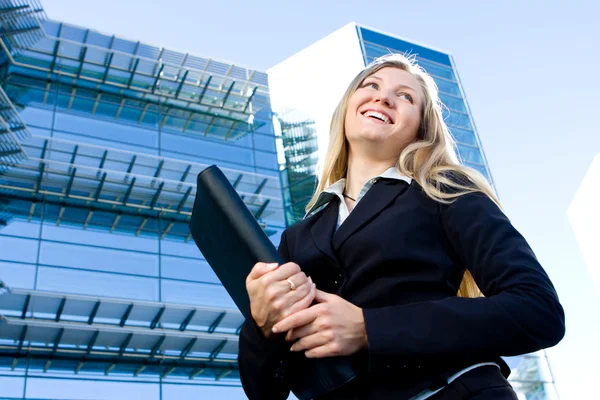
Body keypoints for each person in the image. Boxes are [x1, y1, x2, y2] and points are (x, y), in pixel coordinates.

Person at [238, 54, 565, 400]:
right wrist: (262, 325)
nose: (383, 98)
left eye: (405, 96)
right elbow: (264, 392)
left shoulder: (444, 190)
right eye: (371, 86)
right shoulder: (298, 237)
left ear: (421, 128)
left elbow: (537, 310)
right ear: (348, 106)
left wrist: (370, 329)